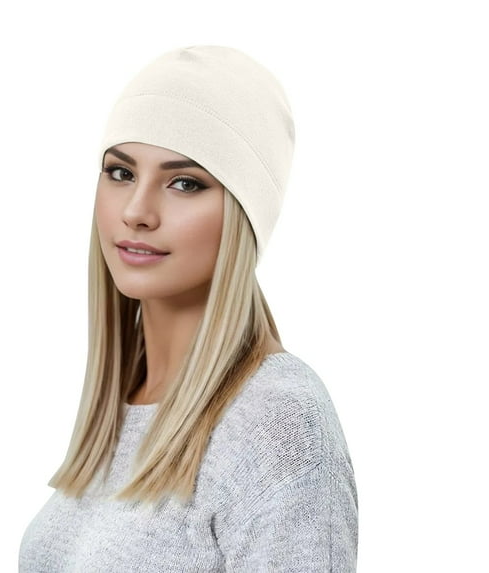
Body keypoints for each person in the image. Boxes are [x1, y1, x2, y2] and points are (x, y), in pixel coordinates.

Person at [18, 44, 358, 572]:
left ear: (245, 215)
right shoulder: (122, 403)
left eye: (185, 183)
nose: (136, 211)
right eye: (121, 172)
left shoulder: (278, 422)